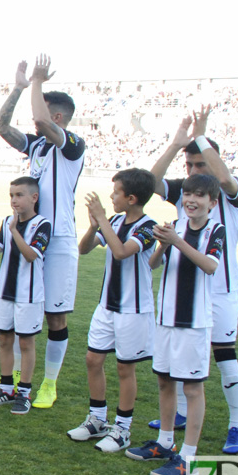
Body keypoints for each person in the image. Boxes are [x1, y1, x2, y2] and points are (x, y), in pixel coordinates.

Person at [148, 107, 238, 454]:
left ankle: (237, 426)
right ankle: (175, 417)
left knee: (224, 355)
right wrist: (177, 144)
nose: (192, 173)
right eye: (188, 167)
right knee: (175, 356)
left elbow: (222, 178)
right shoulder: (184, 193)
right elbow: (147, 184)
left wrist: (202, 136)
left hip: (220, 288)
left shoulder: (230, 192)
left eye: (199, 165)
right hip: (184, 289)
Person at [0, 56, 86, 408]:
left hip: (58, 240)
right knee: (18, 306)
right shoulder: (37, 146)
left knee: (55, 315)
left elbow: (39, 120)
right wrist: (18, 87)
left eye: (45, 111)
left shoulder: (72, 146)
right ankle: (14, 379)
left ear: (58, 118)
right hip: (27, 232)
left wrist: (37, 82)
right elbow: (1, 126)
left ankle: (49, 383)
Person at [127, 173, 225, 475]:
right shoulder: (177, 225)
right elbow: (155, 263)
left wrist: (177, 241)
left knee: (193, 389)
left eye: (199, 195)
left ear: (212, 202)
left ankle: (189, 456)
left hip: (193, 323)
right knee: (164, 381)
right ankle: (165, 442)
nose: (191, 200)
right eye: (187, 194)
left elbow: (210, 266)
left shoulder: (215, 230)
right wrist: (161, 242)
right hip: (166, 319)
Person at [67, 169, 158, 451]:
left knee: (124, 367)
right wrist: (95, 225)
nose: (111, 196)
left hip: (133, 309)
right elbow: (83, 249)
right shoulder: (114, 220)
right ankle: (96, 419)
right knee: (93, 360)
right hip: (106, 306)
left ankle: (122, 429)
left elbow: (121, 252)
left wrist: (103, 219)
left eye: (116, 192)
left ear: (131, 198)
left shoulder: (147, 226)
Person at [0, 177, 51, 414]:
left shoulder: (42, 225)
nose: (13, 200)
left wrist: (14, 231)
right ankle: (7, 388)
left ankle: (25, 393)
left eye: (19, 195)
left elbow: (30, 255)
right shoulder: (7, 221)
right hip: (5, 292)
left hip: (28, 295)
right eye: (11, 195)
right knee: (4, 339)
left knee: (26, 343)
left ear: (34, 198)